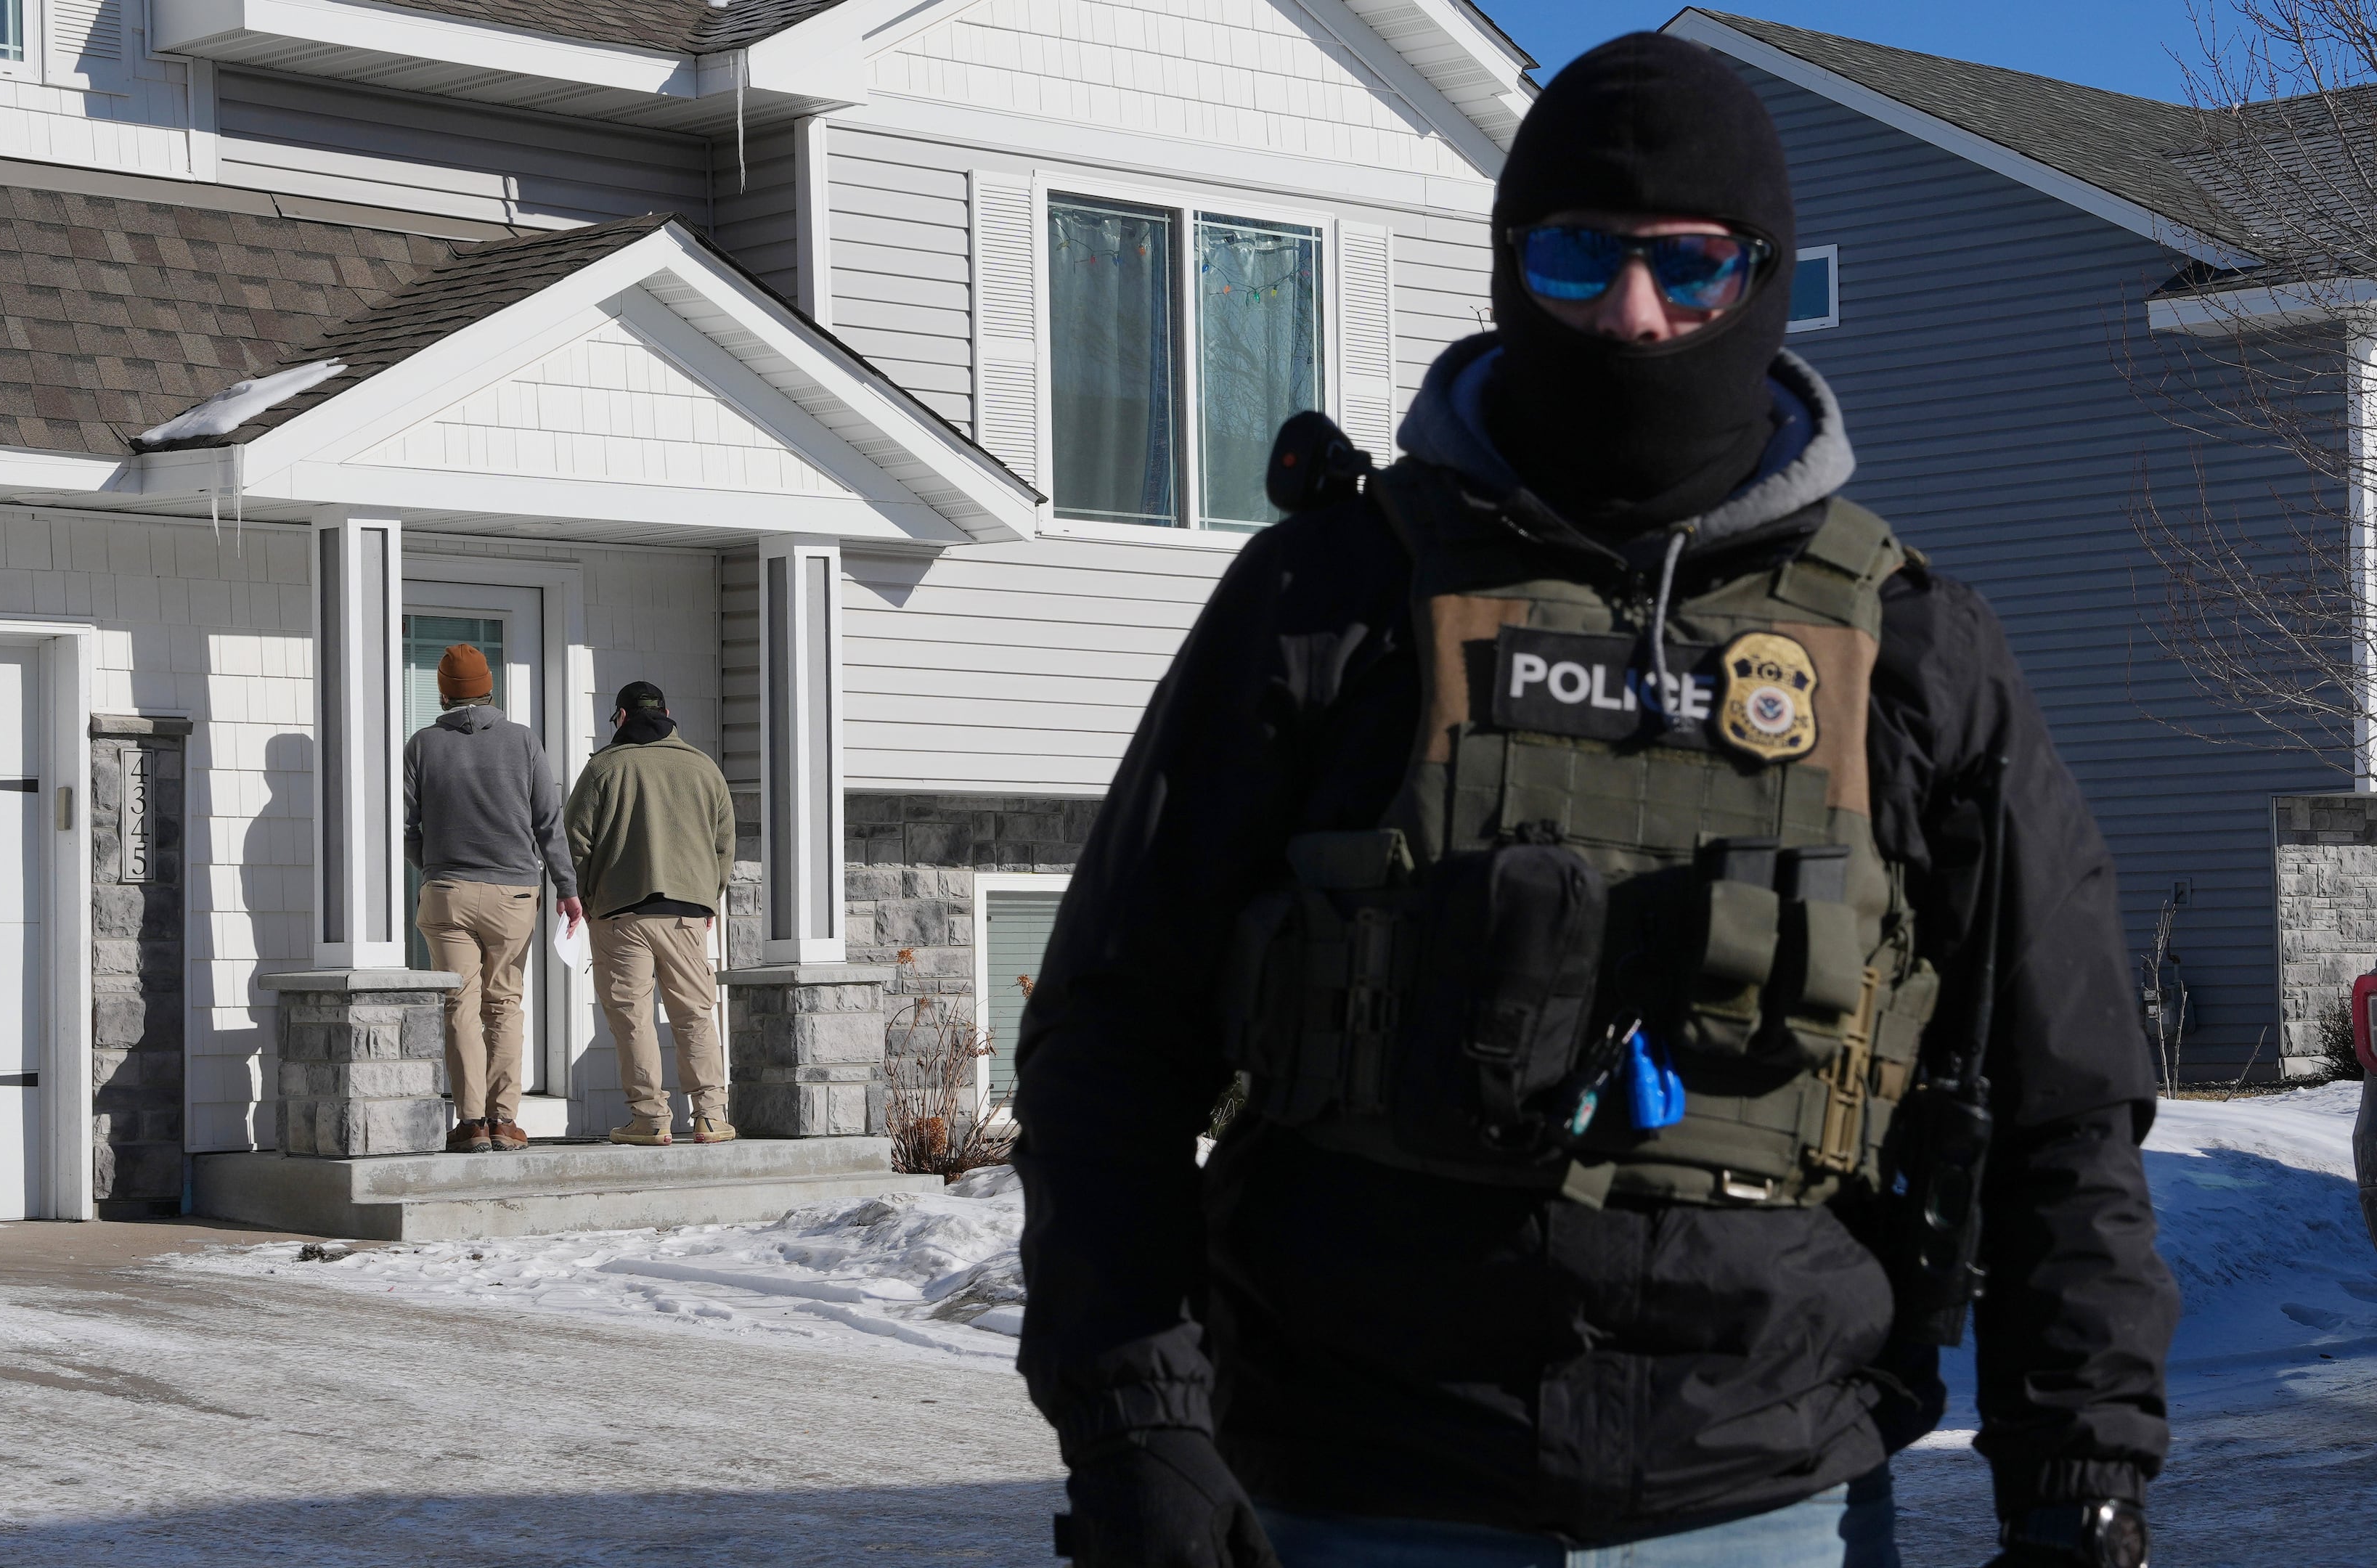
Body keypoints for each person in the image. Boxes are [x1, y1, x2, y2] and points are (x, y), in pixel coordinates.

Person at [1014, 34, 2174, 1568]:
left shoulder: (1910, 649)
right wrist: (1139, 1431)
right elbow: (1111, 1038)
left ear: (1759, 279)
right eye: (1579, 260)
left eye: (1689, 269)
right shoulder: (1335, 596)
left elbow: (2062, 1103)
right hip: (1361, 1487)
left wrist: (2080, 1468)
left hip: (1773, 1501)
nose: (1634, 318)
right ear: (1508, 270)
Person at [405, 642, 581, 1155]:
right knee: (504, 1003)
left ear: (442, 690)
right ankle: (505, 1121)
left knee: (460, 1004)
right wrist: (567, 889)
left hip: (448, 892)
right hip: (513, 892)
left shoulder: (422, 745)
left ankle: (471, 1122)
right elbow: (549, 823)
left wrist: (435, 866)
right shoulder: (523, 741)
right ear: (489, 688)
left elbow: (406, 826)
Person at [565, 679, 738, 1146]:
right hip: (686, 914)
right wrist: (708, 896)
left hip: (621, 913)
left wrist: (584, 896)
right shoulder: (704, 768)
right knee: (695, 1014)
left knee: (633, 1018)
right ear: (666, 712)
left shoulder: (605, 767)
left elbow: (575, 841)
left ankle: (650, 1118)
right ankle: (711, 1116)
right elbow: (725, 845)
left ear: (621, 716)